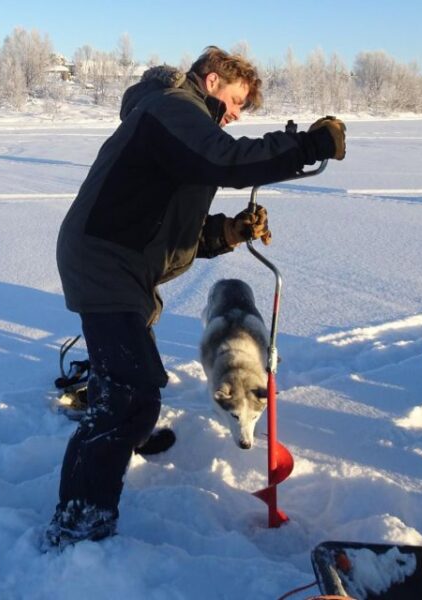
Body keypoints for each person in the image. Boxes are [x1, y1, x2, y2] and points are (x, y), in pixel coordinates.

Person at [45, 46, 346, 548]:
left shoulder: (177, 127)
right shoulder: (173, 108)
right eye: (234, 101)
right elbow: (226, 160)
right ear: (210, 82)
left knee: (128, 387)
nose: (235, 114)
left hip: (123, 262)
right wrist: (306, 146)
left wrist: (229, 230)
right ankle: (78, 524)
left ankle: (128, 434)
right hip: (104, 262)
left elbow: (174, 234)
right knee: (128, 394)